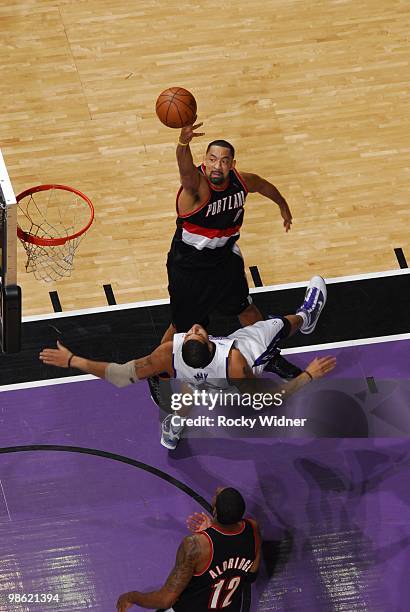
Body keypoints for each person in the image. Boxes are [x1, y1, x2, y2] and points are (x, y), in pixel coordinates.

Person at [39, 276, 336, 449]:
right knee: (274, 327)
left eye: (190, 333)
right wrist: (308, 375)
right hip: (234, 383)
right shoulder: (234, 360)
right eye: (196, 333)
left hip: (201, 386)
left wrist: (73, 360)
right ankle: (308, 317)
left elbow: (119, 375)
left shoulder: (167, 353)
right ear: (211, 342)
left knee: (185, 393)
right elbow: (268, 399)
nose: (194, 329)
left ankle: (173, 428)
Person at [160, 118, 299, 380]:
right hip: (190, 266)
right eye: (212, 159)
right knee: (182, 327)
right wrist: (183, 143)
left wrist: (283, 206)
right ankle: (160, 373)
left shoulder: (241, 181)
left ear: (232, 165)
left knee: (246, 309)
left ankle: (268, 355)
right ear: (205, 160)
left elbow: (263, 185)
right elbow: (185, 170)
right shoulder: (196, 187)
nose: (217, 165)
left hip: (224, 260)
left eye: (224, 161)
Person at [116, 487, 261, 612]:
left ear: (215, 511)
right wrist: (212, 530)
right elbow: (251, 576)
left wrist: (132, 597)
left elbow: (165, 600)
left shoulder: (195, 545)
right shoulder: (253, 528)